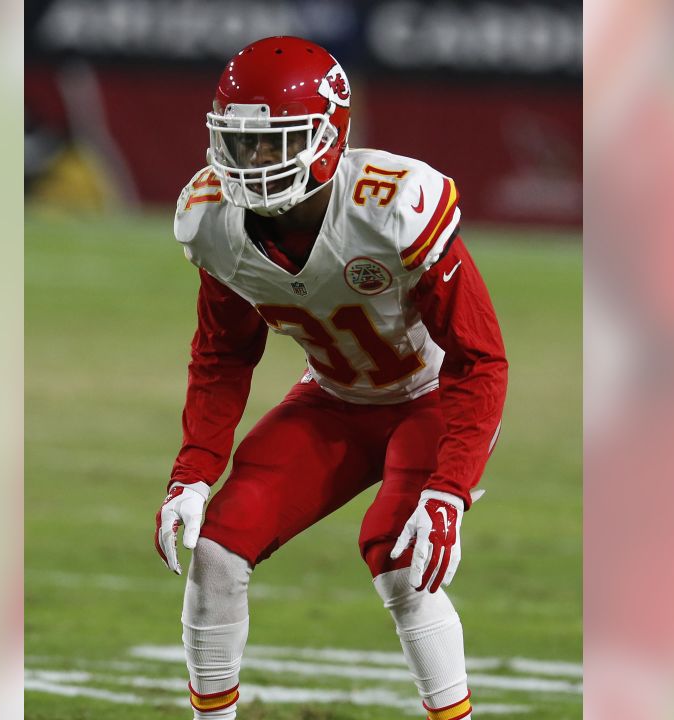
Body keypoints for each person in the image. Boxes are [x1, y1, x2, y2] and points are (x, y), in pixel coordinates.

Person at [153, 36, 507, 720]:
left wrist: (449, 490)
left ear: (326, 135)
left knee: (403, 559)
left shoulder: (391, 206)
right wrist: (194, 472)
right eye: (239, 143)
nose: (250, 163)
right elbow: (224, 353)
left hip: (430, 402)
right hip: (335, 400)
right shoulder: (216, 223)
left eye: (272, 142)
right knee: (218, 551)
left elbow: (479, 359)